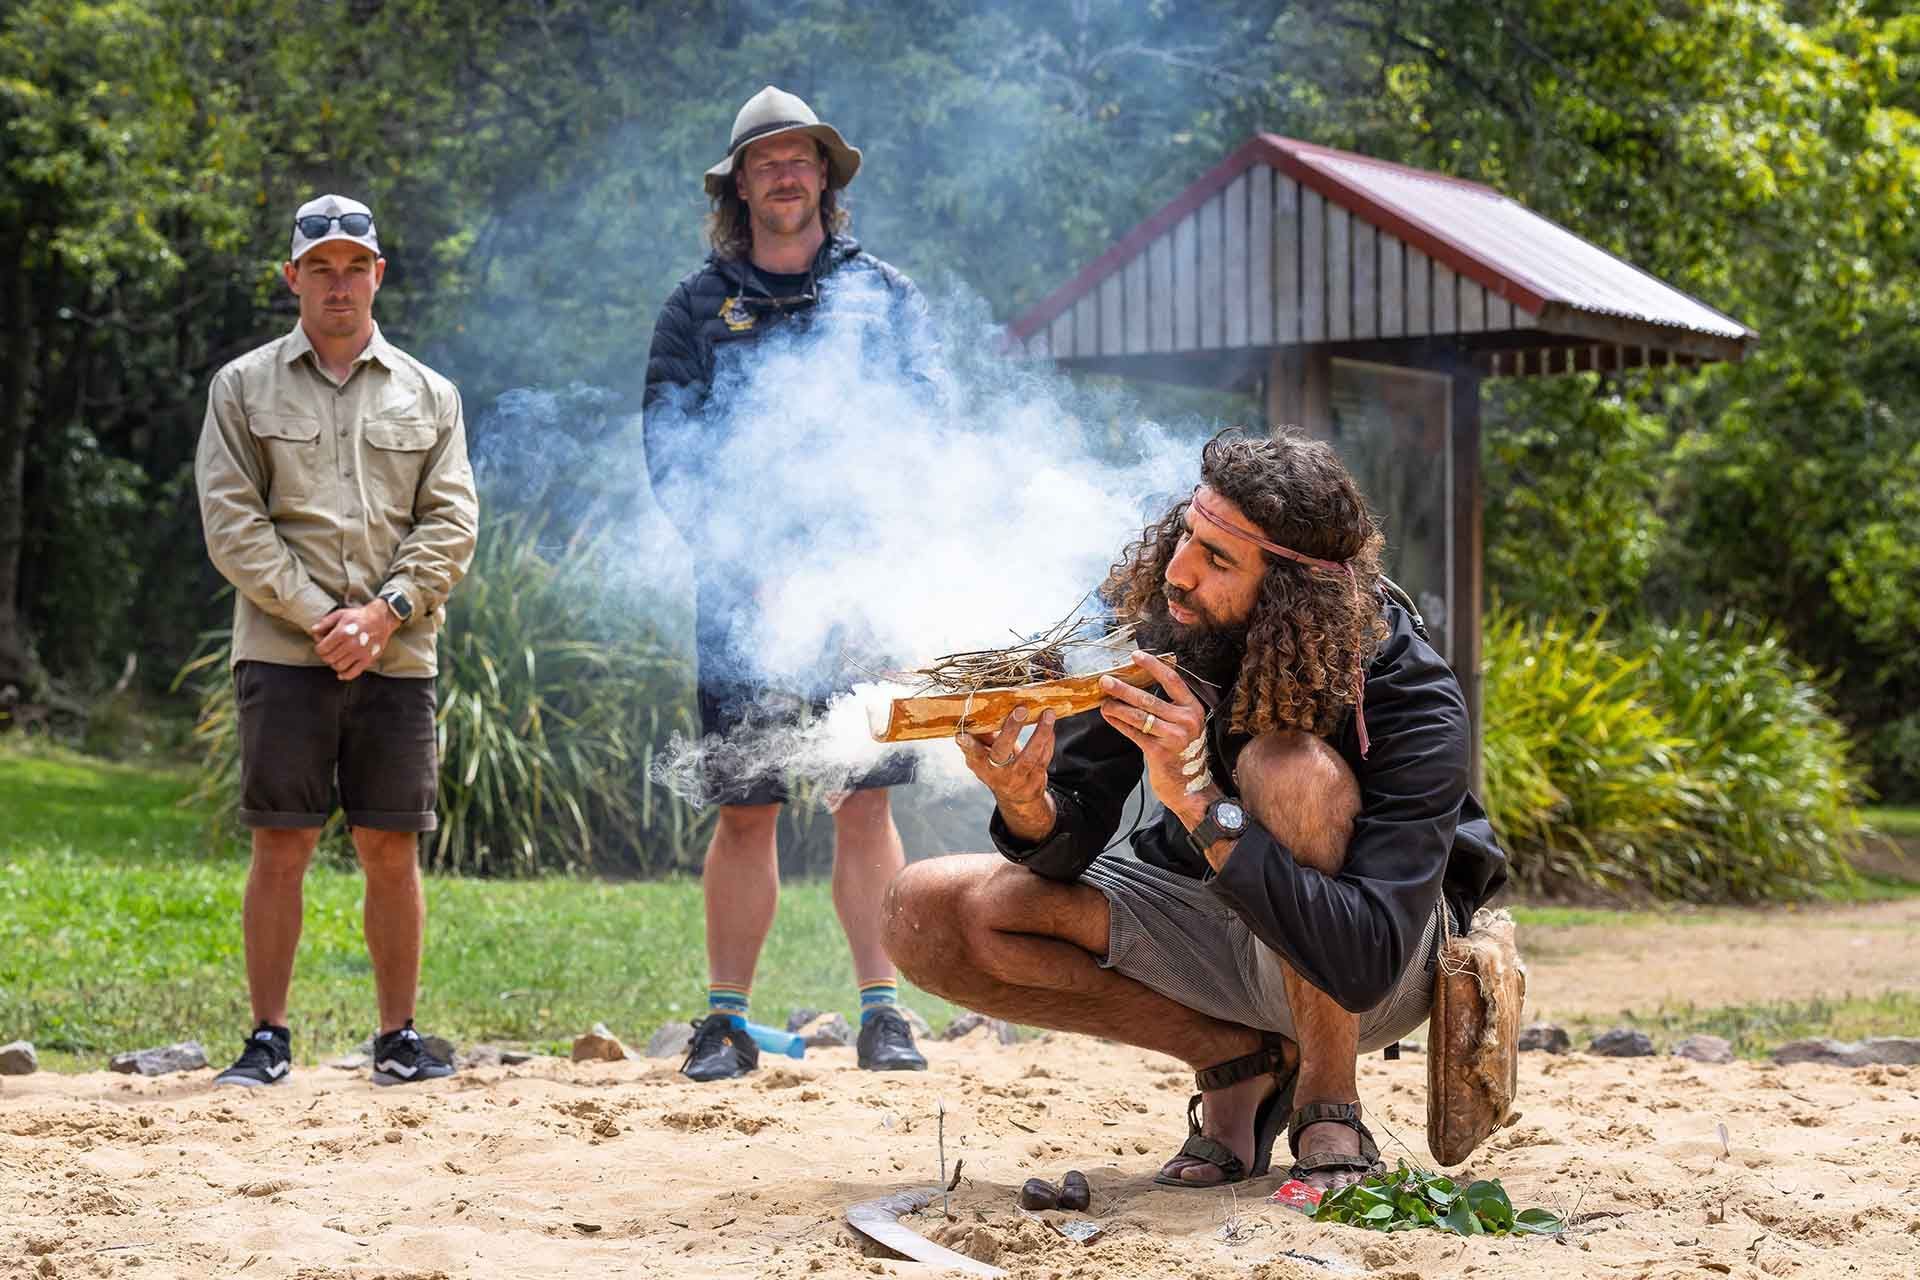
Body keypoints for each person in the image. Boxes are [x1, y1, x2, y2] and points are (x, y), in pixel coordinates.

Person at [882, 428, 1508, 1190]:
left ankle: (1328, 1099)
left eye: (1217, 559)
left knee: (1289, 770)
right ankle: (1236, 1060)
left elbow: (1362, 961)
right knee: (928, 912)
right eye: (1188, 535)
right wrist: (1029, 803)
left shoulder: (1413, 695)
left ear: (1288, 590)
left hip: (1377, 967)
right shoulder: (1165, 624)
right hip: (1214, 916)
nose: (1178, 573)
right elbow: (1073, 833)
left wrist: (1200, 800)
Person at [642, 86, 935, 1081]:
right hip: (741, 602)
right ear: (739, 183)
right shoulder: (694, 304)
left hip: (861, 603)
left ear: (825, 174)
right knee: (746, 808)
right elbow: (668, 453)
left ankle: (884, 1012)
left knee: (864, 802)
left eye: (800, 154)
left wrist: (876, 573)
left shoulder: (886, 295)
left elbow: (927, 442)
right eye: (764, 158)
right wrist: (745, 568)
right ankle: (725, 1018)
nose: (784, 171)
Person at [195, 194, 479, 1088]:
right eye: (320, 267)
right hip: (285, 653)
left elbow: (451, 519)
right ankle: (268, 1038)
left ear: (378, 276)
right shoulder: (241, 387)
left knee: (391, 845)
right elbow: (232, 521)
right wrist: (325, 618)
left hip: (397, 653)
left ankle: (397, 1038)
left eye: (355, 266)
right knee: (281, 843)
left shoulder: (431, 394)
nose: (339, 284)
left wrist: (384, 613)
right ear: (292, 278)